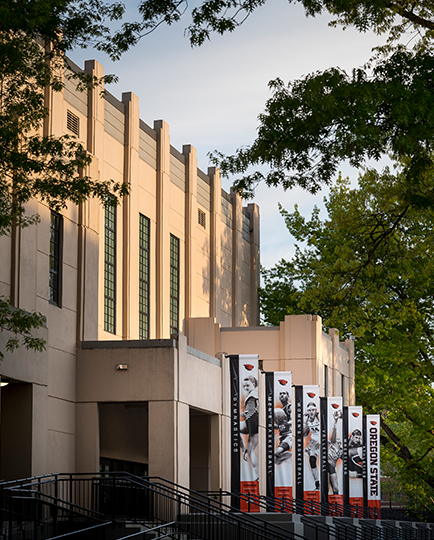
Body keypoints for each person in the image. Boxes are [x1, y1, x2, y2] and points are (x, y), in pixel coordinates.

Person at [240, 375, 259, 481]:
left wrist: (247, 414)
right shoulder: (252, 394)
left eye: (248, 385)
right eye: (244, 386)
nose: (246, 388)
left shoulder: (254, 394)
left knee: (251, 450)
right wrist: (244, 413)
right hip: (249, 422)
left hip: (253, 423)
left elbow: (253, 409)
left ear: (254, 384)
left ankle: (257, 475)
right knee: (234, 426)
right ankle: (243, 448)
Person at [303, 401, 320, 490]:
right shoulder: (306, 420)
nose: (311, 412)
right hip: (314, 442)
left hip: (323, 442)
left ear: (316, 410)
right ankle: (317, 483)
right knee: (312, 461)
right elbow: (305, 435)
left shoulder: (319, 416)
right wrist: (304, 425)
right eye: (309, 410)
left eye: (313, 410)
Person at [327, 409, 343, 495]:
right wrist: (336, 421)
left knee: (335, 487)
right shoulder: (333, 443)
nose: (339, 442)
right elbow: (334, 431)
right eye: (337, 441)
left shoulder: (340, 451)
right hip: (325, 466)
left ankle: (335, 500)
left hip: (332, 468)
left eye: (340, 442)